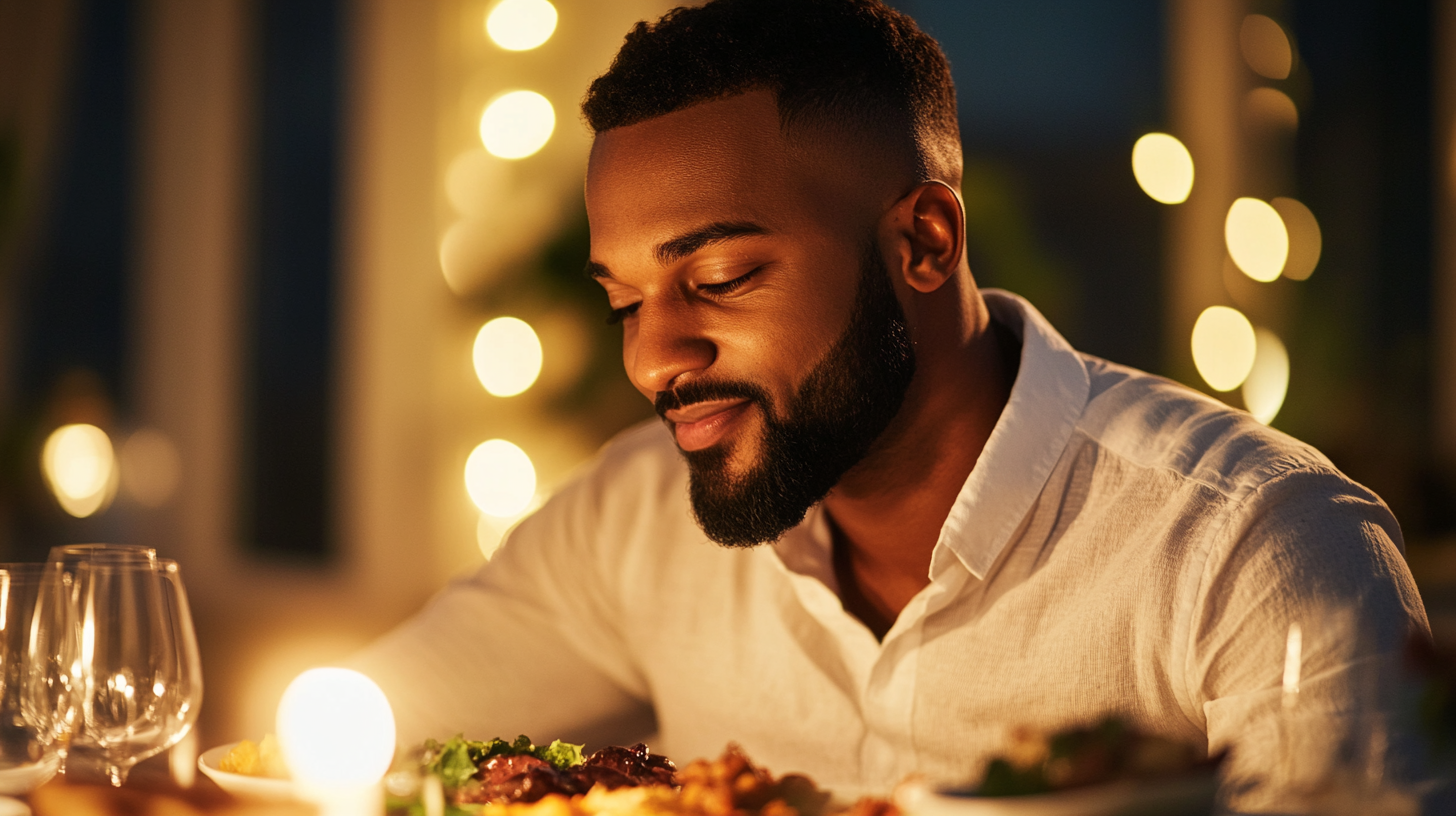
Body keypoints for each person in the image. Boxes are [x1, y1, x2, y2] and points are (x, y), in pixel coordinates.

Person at [351, 0, 1428, 810]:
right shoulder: (629, 521)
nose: (653, 360)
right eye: (625, 302)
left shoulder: (1255, 546)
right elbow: (334, 753)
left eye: (718, 279)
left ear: (923, 241)